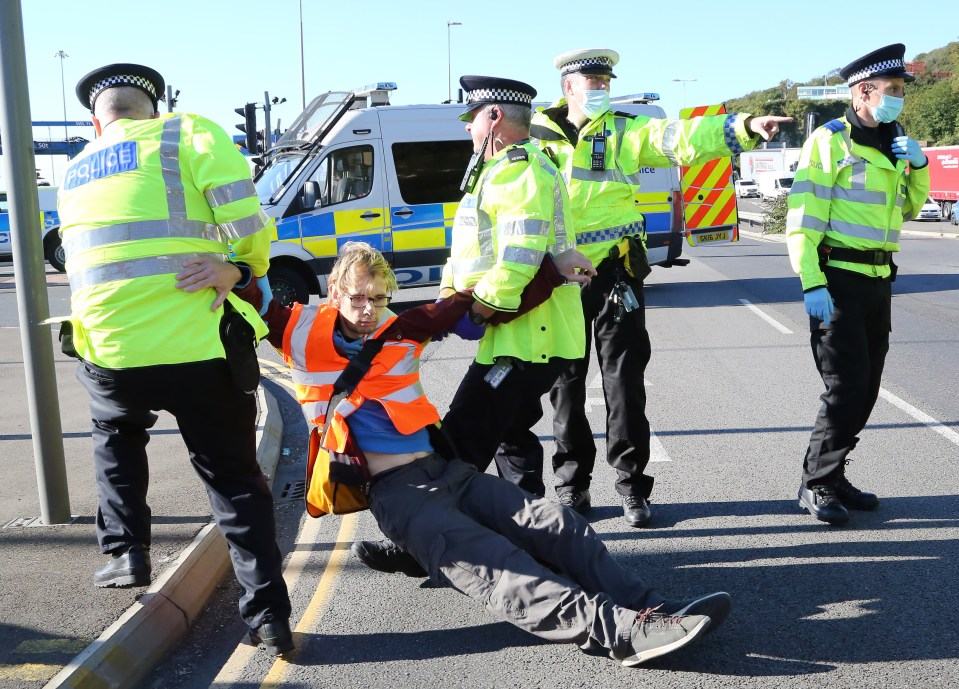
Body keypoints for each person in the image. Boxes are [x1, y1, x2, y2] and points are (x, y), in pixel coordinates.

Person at [228, 241, 732, 667]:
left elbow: (477, 307)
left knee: (561, 525)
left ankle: (655, 611)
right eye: (358, 298)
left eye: (379, 299)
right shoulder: (296, 330)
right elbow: (250, 293)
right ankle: (624, 635)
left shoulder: (401, 329)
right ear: (335, 291)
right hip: (402, 499)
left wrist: (552, 273)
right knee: (506, 570)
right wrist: (231, 269)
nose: (368, 310)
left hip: (450, 474)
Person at [58, 63, 292, 655]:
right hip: (195, 344)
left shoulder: (74, 170)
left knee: (114, 436)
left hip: (111, 346)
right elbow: (244, 217)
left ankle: (125, 553)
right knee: (234, 481)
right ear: (152, 107)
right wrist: (243, 267)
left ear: (97, 120)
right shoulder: (185, 133)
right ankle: (267, 615)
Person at [530, 49, 792, 526]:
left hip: (614, 273)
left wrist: (743, 126)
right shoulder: (535, 137)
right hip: (559, 278)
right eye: (592, 81)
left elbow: (679, 136)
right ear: (568, 86)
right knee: (565, 386)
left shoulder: (623, 128)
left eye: (606, 80)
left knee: (625, 382)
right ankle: (572, 486)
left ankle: (632, 487)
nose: (601, 88)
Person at [350, 75, 594, 575]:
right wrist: (447, 301)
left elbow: (519, 256)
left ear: (495, 119)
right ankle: (537, 546)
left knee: (457, 443)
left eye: (472, 120)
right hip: (528, 340)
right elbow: (469, 254)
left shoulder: (516, 170)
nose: (467, 132)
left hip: (524, 341)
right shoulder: (506, 170)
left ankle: (422, 545)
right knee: (511, 442)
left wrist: (479, 309)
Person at [786, 44, 930, 525]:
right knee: (844, 386)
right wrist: (811, 283)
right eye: (891, 91)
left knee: (867, 387)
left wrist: (920, 167)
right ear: (863, 92)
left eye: (901, 92)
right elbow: (803, 221)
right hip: (837, 280)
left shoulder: (894, 140)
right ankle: (815, 483)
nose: (898, 100)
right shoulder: (830, 141)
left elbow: (908, 209)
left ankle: (835, 473)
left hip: (878, 279)